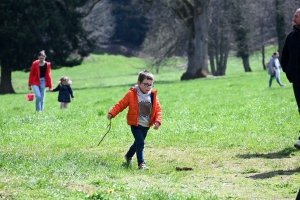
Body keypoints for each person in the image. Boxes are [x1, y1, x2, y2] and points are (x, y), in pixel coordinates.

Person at [107, 70, 162, 169]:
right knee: (140, 142)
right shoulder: (132, 94)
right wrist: (112, 113)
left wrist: (157, 121)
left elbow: (158, 110)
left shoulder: (153, 96)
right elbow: (121, 104)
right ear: (139, 83)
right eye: (146, 84)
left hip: (146, 125)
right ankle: (141, 163)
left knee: (137, 143)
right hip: (136, 124)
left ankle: (128, 156)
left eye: (150, 85)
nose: (148, 87)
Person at [281, 8, 300, 149]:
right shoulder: (291, 37)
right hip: (297, 80)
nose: (294, 19)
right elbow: (285, 56)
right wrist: (288, 71)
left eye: (296, 16)